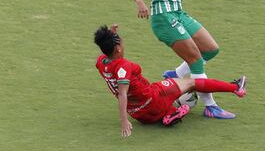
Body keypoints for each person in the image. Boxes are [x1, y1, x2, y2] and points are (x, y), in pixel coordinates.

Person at [121, 0, 235, 119]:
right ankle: (211, 106)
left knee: (210, 49)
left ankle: (176, 74)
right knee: (196, 61)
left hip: (179, 13)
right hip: (163, 18)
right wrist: (140, 3)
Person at [94, 24, 247, 137]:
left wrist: (111, 35)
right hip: (153, 97)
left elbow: (109, 53)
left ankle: (169, 114)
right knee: (190, 82)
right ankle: (235, 88)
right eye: (121, 42)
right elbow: (122, 94)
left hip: (140, 114)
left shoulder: (101, 62)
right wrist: (123, 121)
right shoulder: (124, 66)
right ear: (118, 48)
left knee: (169, 93)